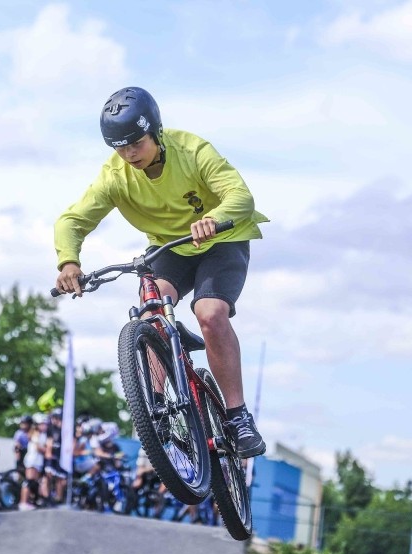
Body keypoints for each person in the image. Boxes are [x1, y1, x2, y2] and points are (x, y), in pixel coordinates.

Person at [53, 86, 268, 459]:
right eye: (119, 147)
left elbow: (241, 196)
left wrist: (213, 219)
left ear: (155, 131)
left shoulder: (193, 151)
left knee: (210, 313)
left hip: (222, 240)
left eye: (135, 142)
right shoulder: (115, 176)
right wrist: (68, 260)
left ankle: (238, 417)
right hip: (170, 248)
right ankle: (156, 407)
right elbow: (73, 220)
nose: (128, 154)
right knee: (152, 308)